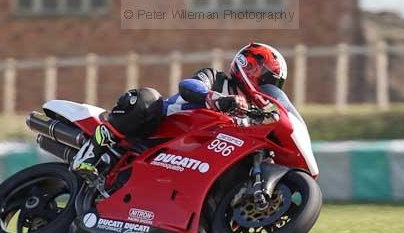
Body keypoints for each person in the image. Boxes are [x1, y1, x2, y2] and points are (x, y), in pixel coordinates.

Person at [72, 41, 291, 181]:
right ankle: (90, 154)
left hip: (189, 156)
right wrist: (215, 99)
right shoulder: (216, 79)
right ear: (249, 67)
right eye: (264, 78)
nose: (264, 86)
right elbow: (188, 86)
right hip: (158, 128)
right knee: (147, 98)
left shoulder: (252, 112)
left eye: (271, 84)